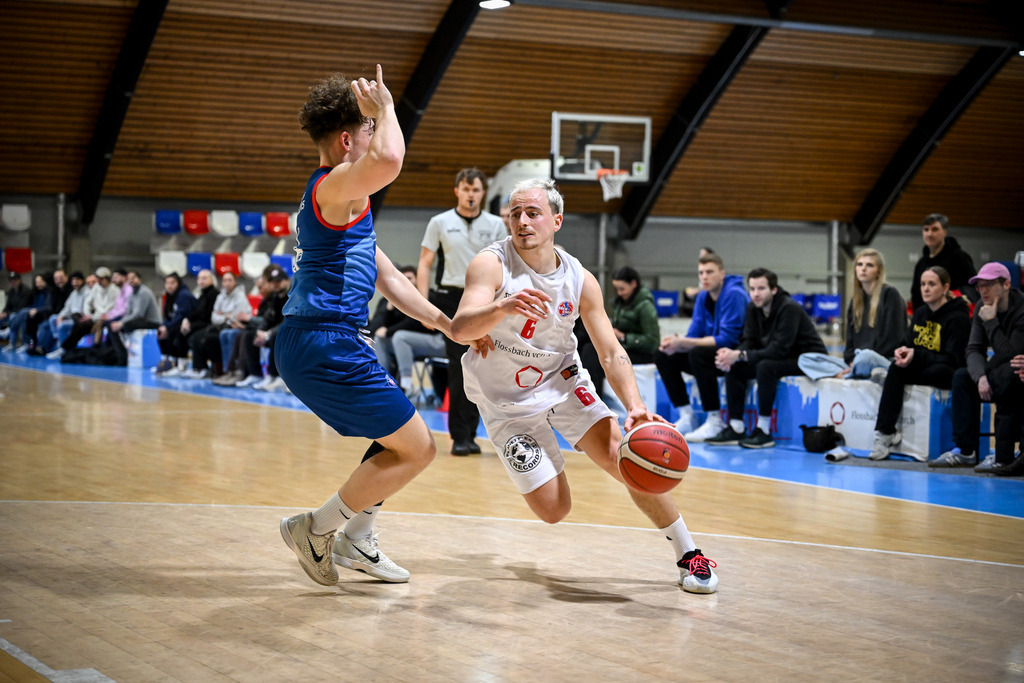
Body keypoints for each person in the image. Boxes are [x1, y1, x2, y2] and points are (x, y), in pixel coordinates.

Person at [451, 178, 718, 594]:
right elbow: (459, 328)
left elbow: (611, 352)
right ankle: (538, 456)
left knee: (625, 458)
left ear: (556, 221)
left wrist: (635, 406)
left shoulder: (579, 278)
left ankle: (689, 553)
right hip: (505, 400)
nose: (522, 221)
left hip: (562, 379)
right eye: (515, 213)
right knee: (555, 509)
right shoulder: (492, 264)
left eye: (533, 213)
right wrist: (500, 307)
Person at [277, 66, 482, 586]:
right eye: (367, 129)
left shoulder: (347, 203)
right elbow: (389, 159)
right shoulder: (334, 184)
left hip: (326, 341)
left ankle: (357, 538)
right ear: (348, 140)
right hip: (327, 341)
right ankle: (320, 529)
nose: (376, 136)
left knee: (401, 438)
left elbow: (389, 278)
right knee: (420, 447)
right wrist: (387, 107)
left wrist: (444, 322)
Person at [417, 167, 507, 455]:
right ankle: (460, 437)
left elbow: (505, 263)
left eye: (476, 190)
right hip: (450, 299)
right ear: (458, 191)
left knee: (483, 366)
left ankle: (475, 432)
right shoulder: (439, 222)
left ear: (483, 193)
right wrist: (424, 307)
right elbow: (424, 264)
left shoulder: (495, 225)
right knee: (459, 365)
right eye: (466, 189)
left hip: (484, 300)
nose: (471, 195)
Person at [708, 268, 827, 449]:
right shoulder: (752, 308)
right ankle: (736, 427)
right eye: (752, 289)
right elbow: (749, 340)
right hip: (782, 356)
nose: (755, 294)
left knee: (765, 367)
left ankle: (764, 430)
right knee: (736, 366)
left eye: (761, 288)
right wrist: (731, 356)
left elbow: (779, 349)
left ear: (774, 290)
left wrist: (740, 355)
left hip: (808, 359)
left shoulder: (789, 308)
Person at [930, 262, 1024, 473]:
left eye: (988, 285)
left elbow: (1011, 354)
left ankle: (1004, 456)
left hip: (1015, 373)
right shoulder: (982, 305)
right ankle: (965, 450)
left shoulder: (1020, 309)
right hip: (996, 371)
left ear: (1006, 284)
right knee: (963, 376)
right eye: (980, 286)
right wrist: (980, 377)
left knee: (1011, 374)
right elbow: (973, 349)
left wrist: (991, 322)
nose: (983, 291)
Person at [869, 266, 970, 460]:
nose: (925, 288)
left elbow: (953, 359)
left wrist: (917, 355)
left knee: (933, 370)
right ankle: (884, 434)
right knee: (896, 367)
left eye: (932, 284)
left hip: (949, 370)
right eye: (923, 284)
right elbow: (911, 345)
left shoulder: (958, 317)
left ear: (945, 287)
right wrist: (902, 351)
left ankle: (890, 383)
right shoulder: (921, 313)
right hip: (924, 364)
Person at [655, 251, 748, 440]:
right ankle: (687, 415)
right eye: (701, 273)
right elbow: (694, 334)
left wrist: (685, 342)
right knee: (663, 354)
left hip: (735, 357)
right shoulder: (702, 297)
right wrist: (676, 344)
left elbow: (728, 339)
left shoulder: (734, 294)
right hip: (711, 357)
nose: (704, 277)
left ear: (722, 274)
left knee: (698, 353)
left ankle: (715, 419)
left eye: (709, 272)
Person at [799, 248, 907, 381]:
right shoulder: (855, 301)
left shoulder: (890, 294)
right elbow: (849, 343)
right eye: (859, 264)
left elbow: (893, 340)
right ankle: (847, 374)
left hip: (880, 360)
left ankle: (853, 373)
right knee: (806, 359)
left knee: (865, 356)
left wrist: (859, 360)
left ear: (878, 271)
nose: (863, 269)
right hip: (856, 362)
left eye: (869, 265)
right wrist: (851, 361)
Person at [579, 266, 659, 400]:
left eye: (622, 288)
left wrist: (624, 337)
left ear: (633, 284)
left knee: (592, 352)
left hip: (642, 352)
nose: (620, 293)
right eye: (617, 289)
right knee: (589, 346)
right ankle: (588, 395)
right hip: (625, 347)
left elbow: (653, 341)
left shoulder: (645, 306)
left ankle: (594, 399)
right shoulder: (620, 303)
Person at [186, 270, 250, 379]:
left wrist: (223, 315)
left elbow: (237, 317)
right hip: (220, 327)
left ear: (235, 282)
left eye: (230, 280)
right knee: (199, 336)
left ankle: (227, 370)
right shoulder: (220, 296)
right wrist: (226, 315)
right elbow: (214, 317)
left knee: (215, 338)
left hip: (235, 327)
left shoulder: (240, 297)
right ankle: (203, 368)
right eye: (225, 280)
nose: (227, 283)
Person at [910, 214, 977, 312]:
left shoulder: (960, 257)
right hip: (927, 317)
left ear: (944, 232)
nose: (929, 234)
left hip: (953, 314)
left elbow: (971, 287)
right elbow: (916, 294)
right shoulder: (921, 263)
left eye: (935, 229)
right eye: (926, 229)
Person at [154, 273, 196, 374]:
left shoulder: (183, 295)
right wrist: (163, 326)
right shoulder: (168, 296)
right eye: (167, 283)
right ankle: (166, 361)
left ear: (178, 284)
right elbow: (167, 316)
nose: (169, 285)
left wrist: (167, 327)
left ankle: (181, 364)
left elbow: (181, 315)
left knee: (175, 330)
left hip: (191, 324)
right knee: (161, 332)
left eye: (172, 283)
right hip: (178, 324)